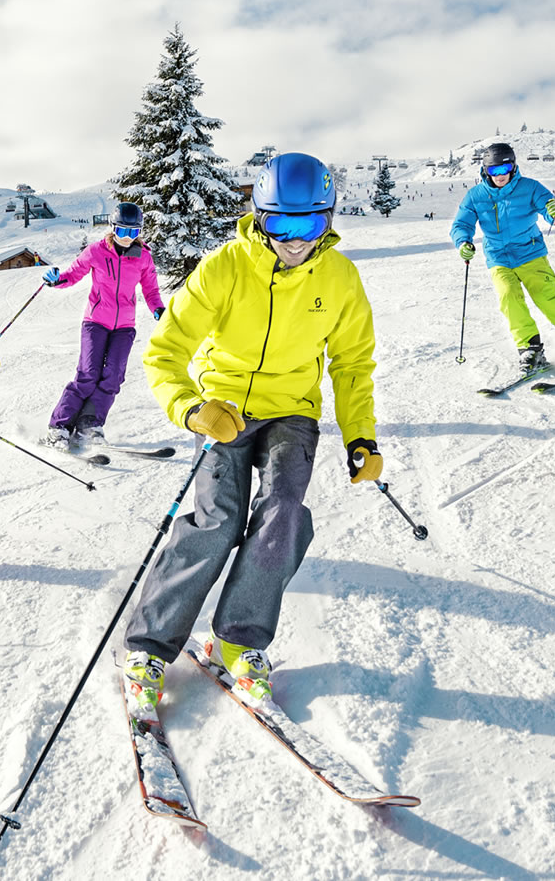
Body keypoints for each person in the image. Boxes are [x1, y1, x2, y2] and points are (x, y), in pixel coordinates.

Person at [120, 152, 380, 715]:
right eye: (278, 223)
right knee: (218, 518)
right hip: (224, 408)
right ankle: (149, 646)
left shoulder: (339, 278)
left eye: (307, 224)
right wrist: (191, 409)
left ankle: (238, 638)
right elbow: (164, 352)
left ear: (328, 219)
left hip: (293, 410)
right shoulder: (225, 266)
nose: (292, 239)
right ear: (258, 217)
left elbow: (353, 363)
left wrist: (362, 436)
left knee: (283, 511)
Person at [450, 142, 555, 374]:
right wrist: (463, 241)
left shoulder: (529, 187)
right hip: (498, 257)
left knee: (549, 299)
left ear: (513, 167)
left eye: (505, 170)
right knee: (508, 298)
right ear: (485, 171)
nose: (500, 176)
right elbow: (461, 224)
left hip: (530, 253)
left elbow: (551, 209)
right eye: (494, 171)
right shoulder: (476, 196)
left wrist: (554, 211)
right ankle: (530, 349)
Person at [38, 202, 165, 451]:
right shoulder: (96, 251)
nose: (127, 238)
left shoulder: (143, 258)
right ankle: (59, 428)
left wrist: (157, 308)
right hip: (95, 322)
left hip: (125, 325)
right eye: (122, 231)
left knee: (113, 377)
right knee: (87, 375)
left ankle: (90, 425)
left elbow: (150, 289)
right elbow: (74, 273)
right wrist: (57, 280)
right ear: (112, 228)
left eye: (134, 232)